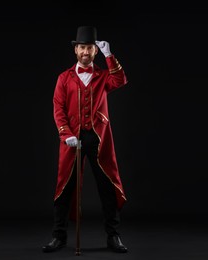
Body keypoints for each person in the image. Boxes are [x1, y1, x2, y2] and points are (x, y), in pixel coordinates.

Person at [42, 25, 129, 253]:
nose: (85, 52)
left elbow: (120, 80)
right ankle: (58, 236)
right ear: (76, 50)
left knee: (107, 187)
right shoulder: (64, 78)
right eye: (82, 48)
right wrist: (66, 133)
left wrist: (110, 55)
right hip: (73, 139)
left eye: (90, 48)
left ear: (95, 51)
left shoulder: (103, 76)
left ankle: (113, 236)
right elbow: (58, 107)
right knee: (65, 188)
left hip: (98, 139)